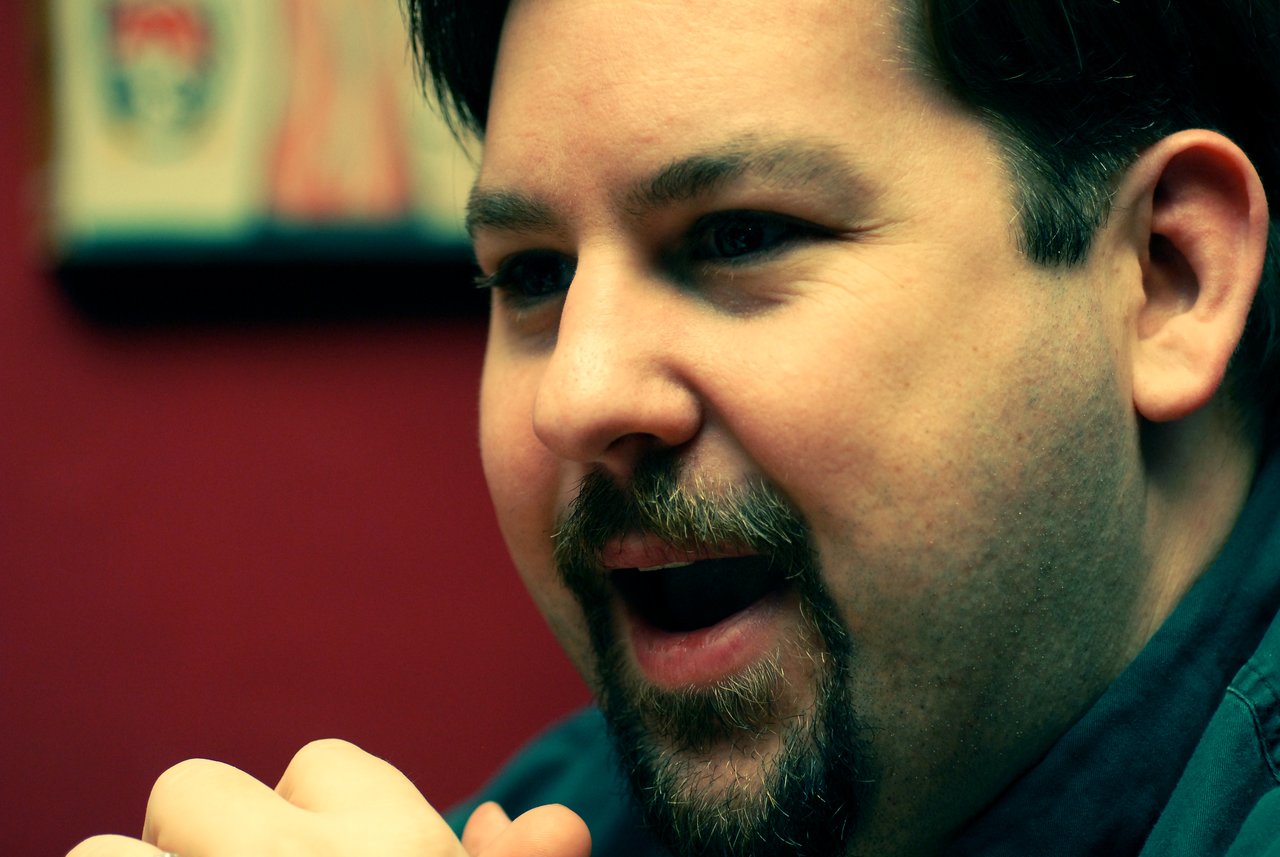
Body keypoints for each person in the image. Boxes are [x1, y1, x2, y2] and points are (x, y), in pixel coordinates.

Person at [70, 0, 1280, 855]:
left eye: (737, 235)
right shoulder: (552, 819)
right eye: (531, 273)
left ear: (1162, 277)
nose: (575, 396)